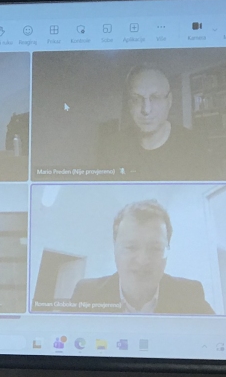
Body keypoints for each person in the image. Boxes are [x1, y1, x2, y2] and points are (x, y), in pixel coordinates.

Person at [70, 200, 214, 314]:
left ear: (167, 251)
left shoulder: (190, 295)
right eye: (131, 247)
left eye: (155, 248)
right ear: (115, 249)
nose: (142, 260)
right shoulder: (86, 293)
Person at [115, 66, 206, 180]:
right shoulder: (113, 147)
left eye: (156, 97)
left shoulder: (196, 146)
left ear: (169, 101)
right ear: (129, 105)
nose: (146, 110)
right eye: (136, 99)